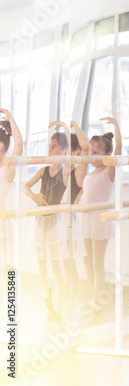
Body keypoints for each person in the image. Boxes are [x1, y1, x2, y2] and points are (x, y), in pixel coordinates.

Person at [24, 125, 72, 322]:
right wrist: (34, 196)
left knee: (55, 264)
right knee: (41, 263)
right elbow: (26, 187)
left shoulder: (66, 172)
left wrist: (65, 127)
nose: (50, 150)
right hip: (39, 221)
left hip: (54, 223)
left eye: (54, 147)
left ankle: (59, 307)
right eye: (49, 146)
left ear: (63, 151)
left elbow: (70, 160)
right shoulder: (43, 170)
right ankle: (47, 296)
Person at [78, 117, 122, 312]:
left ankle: (97, 300)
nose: (92, 156)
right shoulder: (89, 173)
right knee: (87, 259)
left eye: (96, 153)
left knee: (97, 262)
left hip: (100, 221)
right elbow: (84, 192)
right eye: (90, 152)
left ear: (107, 154)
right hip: (86, 219)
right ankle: (91, 295)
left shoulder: (108, 172)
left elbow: (119, 150)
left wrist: (116, 127)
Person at [51, 121, 89, 306]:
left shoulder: (79, 173)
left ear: (74, 153)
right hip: (56, 220)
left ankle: (70, 303)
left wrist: (71, 126)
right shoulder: (60, 171)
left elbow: (85, 147)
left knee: (68, 264)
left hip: (68, 223)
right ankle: (61, 301)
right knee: (59, 264)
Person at [0, 109, 23, 309]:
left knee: (4, 267)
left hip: (2, 221)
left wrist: (10, 118)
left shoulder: (7, 168)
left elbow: (20, 144)